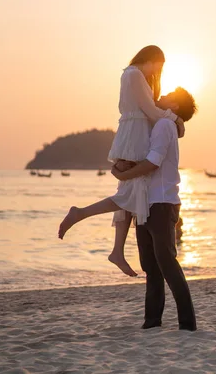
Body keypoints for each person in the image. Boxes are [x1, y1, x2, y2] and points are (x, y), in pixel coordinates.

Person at [58, 87, 198, 331]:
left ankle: (187, 324)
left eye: (169, 95)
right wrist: (122, 168)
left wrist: (123, 175)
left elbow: (153, 162)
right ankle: (152, 322)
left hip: (162, 203)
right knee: (150, 266)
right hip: (146, 203)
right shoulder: (161, 124)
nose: (162, 95)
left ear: (174, 107)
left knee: (167, 264)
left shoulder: (165, 126)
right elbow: (144, 156)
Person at [59, 45, 185, 278]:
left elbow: (149, 110)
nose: (158, 72)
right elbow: (150, 111)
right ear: (154, 59)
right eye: (160, 66)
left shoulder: (132, 75)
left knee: (131, 193)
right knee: (131, 193)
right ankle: (81, 214)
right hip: (135, 137)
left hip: (134, 135)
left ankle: (116, 250)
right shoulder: (134, 74)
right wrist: (176, 118)